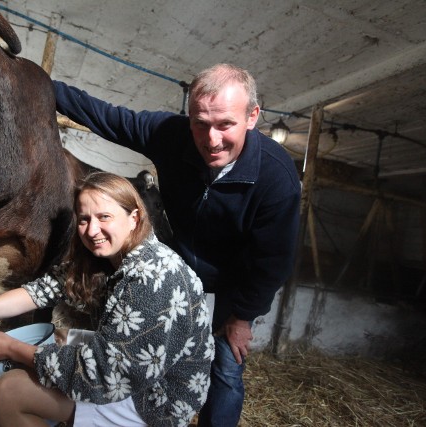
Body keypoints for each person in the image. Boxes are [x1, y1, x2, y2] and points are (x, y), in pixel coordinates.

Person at [53, 63, 301, 426]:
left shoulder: (277, 178)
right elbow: (108, 117)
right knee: (153, 349)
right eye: (200, 122)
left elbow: (274, 260)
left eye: (225, 124)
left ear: (253, 116)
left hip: (236, 277)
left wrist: (243, 316)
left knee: (225, 365)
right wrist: (43, 86)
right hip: (179, 261)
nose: (211, 139)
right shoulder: (171, 135)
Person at [0, 171, 214, 427]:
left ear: (134, 217)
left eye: (104, 217)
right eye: (84, 219)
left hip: (154, 402)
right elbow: (38, 292)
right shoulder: (108, 258)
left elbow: (105, 377)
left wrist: (12, 348)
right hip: (130, 372)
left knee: (8, 392)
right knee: (64, 338)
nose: (92, 230)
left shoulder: (154, 278)